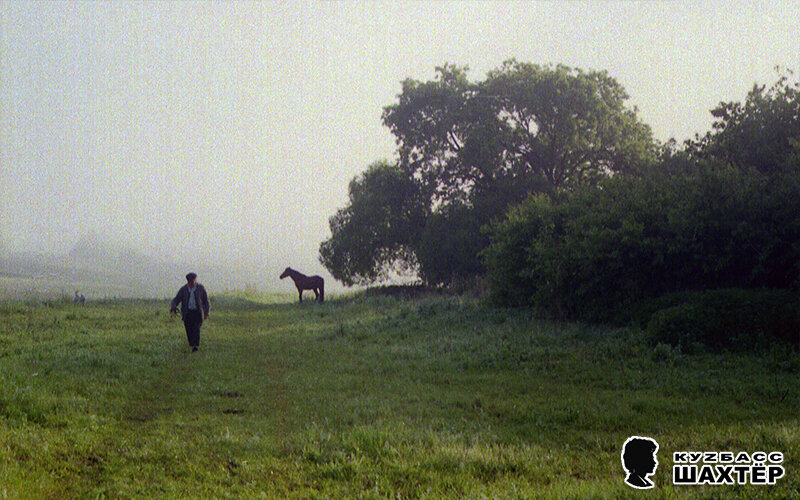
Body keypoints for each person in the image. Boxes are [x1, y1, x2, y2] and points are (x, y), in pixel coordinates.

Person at [170, 272, 210, 352]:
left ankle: (195, 346)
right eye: (190, 281)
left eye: (193, 280)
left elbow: (206, 300)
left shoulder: (200, 288)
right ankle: (192, 344)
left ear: (195, 280)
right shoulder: (183, 289)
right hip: (187, 313)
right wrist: (173, 306)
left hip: (197, 312)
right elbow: (177, 299)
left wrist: (206, 312)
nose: (191, 282)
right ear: (187, 281)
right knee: (189, 329)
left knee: (196, 329)